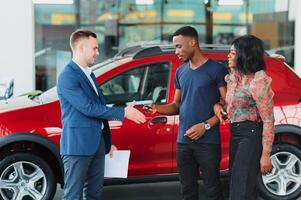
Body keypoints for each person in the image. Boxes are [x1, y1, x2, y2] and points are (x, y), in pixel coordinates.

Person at [57, 29, 146, 200]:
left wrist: (107, 142)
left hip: (97, 144)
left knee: (94, 194)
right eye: (95, 48)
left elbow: (99, 106)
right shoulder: (68, 75)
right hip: (77, 146)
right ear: (81, 48)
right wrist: (123, 113)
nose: (98, 53)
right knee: (73, 196)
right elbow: (88, 108)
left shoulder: (88, 73)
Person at [144, 26, 227, 200]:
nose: (176, 51)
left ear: (193, 42)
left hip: (208, 142)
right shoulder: (181, 71)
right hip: (183, 142)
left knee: (212, 189)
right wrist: (157, 108)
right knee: (187, 190)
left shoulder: (216, 70)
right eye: (175, 47)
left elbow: (227, 106)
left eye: (179, 46)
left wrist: (205, 126)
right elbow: (176, 105)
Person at [214, 35, 274, 200]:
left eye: (232, 53)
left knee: (239, 191)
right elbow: (229, 105)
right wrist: (218, 106)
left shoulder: (258, 82)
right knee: (241, 187)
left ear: (244, 55)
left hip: (251, 134)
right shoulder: (234, 77)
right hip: (236, 133)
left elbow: (269, 121)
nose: (228, 56)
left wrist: (266, 155)